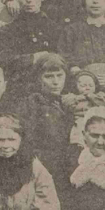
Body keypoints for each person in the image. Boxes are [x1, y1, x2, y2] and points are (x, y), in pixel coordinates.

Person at [0, 0, 60, 100]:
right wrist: (33, 58)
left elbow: (61, 59)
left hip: (49, 90)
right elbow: (5, 60)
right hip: (20, 90)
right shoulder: (8, 30)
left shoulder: (54, 28)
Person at [17, 53, 75, 184]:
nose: (56, 82)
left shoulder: (71, 102)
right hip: (45, 167)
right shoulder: (31, 104)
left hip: (71, 166)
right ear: (38, 79)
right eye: (48, 77)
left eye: (60, 76)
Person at [62, 70, 105, 145]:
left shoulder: (98, 95)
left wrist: (90, 96)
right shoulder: (73, 96)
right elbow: (66, 102)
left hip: (97, 121)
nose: (87, 88)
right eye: (83, 86)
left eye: (91, 86)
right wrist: (79, 98)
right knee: (78, 132)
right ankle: (78, 145)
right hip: (80, 121)